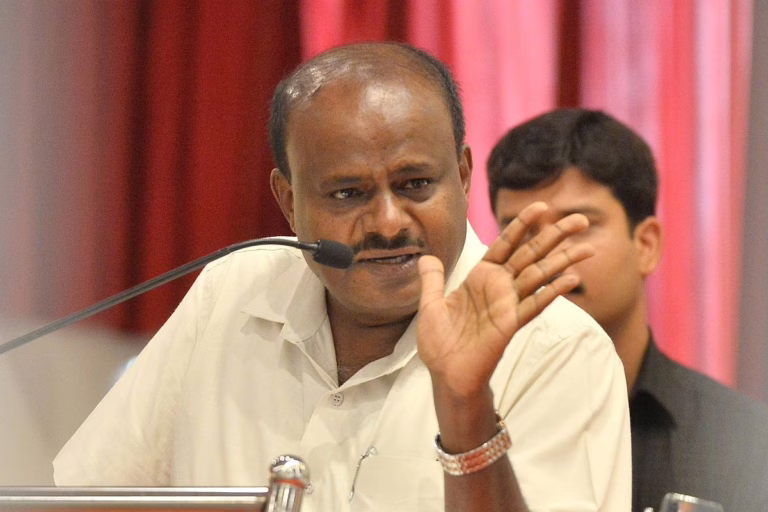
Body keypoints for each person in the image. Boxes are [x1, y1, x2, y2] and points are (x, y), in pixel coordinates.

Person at [53, 44, 631, 512]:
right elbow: (93, 495)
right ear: (288, 200)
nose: (387, 223)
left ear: (461, 174)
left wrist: (465, 408)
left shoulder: (559, 349)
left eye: (415, 185)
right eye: (348, 194)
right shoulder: (233, 291)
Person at [487, 107, 768, 512]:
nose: (547, 255)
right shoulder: (467, 424)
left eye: (577, 225)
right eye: (521, 231)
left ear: (646, 245)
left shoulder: (744, 441)